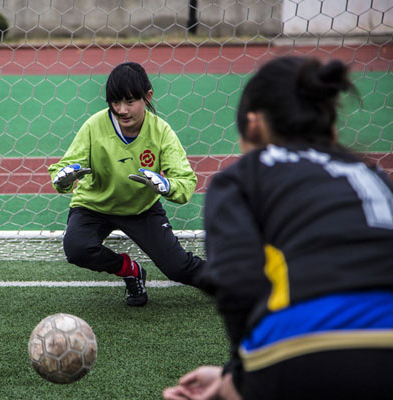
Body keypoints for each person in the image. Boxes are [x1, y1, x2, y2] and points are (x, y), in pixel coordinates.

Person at [163, 56, 393, 399]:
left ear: (253, 126)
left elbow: (238, 283)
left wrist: (236, 378)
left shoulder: (242, 179)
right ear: (330, 129)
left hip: (298, 349)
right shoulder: (373, 175)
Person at [48, 61, 208, 307]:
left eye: (130, 101)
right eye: (114, 102)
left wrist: (165, 186)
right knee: (77, 248)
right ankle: (131, 270)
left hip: (141, 209)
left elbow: (186, 184)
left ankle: (233, 283)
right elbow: (64, 169)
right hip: (94, 206)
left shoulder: (161, 132)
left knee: (177, 268)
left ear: (148, 96)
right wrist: (64, 179)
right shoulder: (94, 126)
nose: (121, 109)